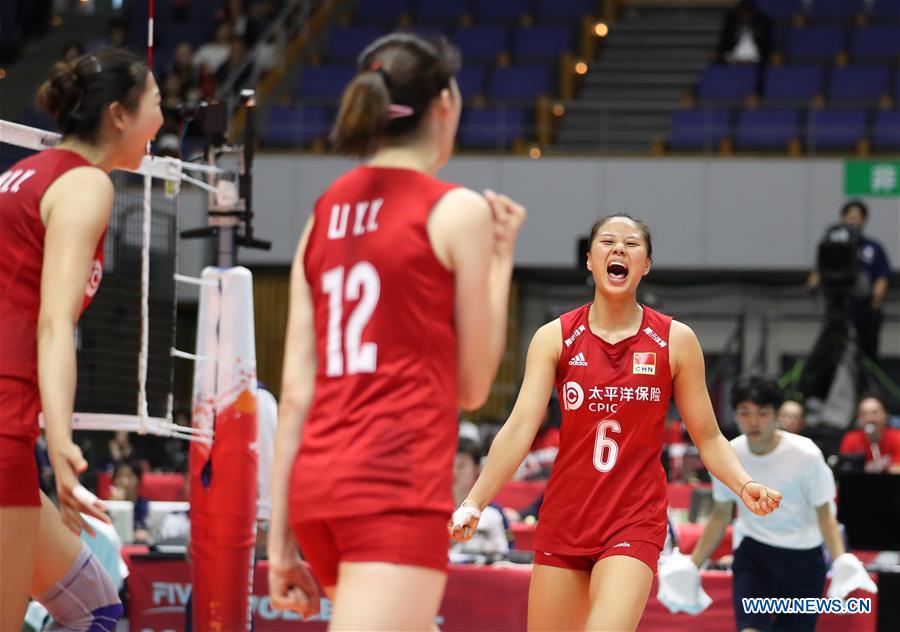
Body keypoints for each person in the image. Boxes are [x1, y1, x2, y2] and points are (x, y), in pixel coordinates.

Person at [267, 32, 525, 629]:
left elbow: (296, 394)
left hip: (316, 494)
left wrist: (280, 539)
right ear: (444, 107)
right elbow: (473, 387)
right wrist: (501, 261)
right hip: (391, 488)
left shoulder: (324, 211)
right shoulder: (456, 210)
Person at [450, 213, 782, 631]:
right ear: (590, 260)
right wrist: (474, 501)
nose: (619, 249)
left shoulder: (676, 340)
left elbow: (710, 436)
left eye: (632, 244)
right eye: (607, 242)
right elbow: (519, 428)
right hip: (566, 518)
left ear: (647, 265)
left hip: (634, 518)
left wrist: (743, 483)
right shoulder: (554, 337)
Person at [0, 47, 163, 629]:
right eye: (156, 105)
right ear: (120, 115)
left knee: (97, 607)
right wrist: (64, 449)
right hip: (4, 427)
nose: (163, 122)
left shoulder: (17, 176)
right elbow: (53, 320)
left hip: (13, 429)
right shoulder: (84, 184)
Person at [659, 376, 876, 631]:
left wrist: (841, 559)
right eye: (745, 413)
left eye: (762, 413)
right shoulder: (729, 455)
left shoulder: (806, 455)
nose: (753, 422)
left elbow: (825, 514)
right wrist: (692, 565)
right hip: (754, 555)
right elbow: (720, 515)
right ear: (735, 415)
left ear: (777, 415)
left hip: (803, 560)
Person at [807, 200, 890, 363]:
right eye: (849, 215)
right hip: (838, 308)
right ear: (842, 218)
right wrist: (813, 286)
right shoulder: (831, 247)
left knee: (866, 356)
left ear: (864, 220)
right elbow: (818, 271)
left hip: (865, 311)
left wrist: (876, 298)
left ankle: (866, 387)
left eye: (857, 216)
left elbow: (882, 275)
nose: (853, 219)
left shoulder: (873, 247)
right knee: (831, 353)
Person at [451, 438, 509, 562]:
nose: (454, 472)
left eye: (461, 466)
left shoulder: (494, 513)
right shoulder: (434, 510)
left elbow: (505, 556)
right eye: (450, 465)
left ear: (477, 469)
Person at [839, 394, 900, 473]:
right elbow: (845, 469)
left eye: (874, 413)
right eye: (864, 414)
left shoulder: (897, 437)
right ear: (859, 419)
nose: (870, 419)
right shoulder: (850, 439)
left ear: (885, 416)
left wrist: (881, 467)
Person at [716, 0, 773, 66]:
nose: (744, 15)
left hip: (757, 60)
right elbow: (724, 44)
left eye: (747, 12)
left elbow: (767, 45)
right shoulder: (731, 23)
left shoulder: (762, 23)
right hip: (732, 59)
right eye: (742, 12)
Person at [109, 459, 150, 543]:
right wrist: (113, 504)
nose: (124, 482)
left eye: (129, 476)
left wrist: (145, 533)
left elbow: (147, 527)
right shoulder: (106, 505)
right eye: (119, 476)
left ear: (138, 480)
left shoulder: (144, 505)